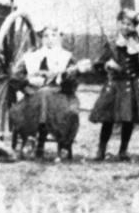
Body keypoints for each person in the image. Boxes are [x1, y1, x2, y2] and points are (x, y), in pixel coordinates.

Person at [9, 25, 88, 161]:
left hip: (60, 98)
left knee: (61, 106)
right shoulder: (31, 57)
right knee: (40, 96)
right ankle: (30, 139)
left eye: (53, 36)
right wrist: (29, 80)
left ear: (59, 38)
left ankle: (61, 143)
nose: (50, 39)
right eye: (46, 36)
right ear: (41, 38)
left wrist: (67, 77)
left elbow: (72, 85)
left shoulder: (67, 57)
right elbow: (15, 79)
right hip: (33, 98)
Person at [90, 9, 139, 161]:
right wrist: (107, 64)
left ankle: (123, 150)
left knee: (128, 119)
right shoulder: (111, 43)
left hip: (130, 86)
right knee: (108, 119)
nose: (125, 26)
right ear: (118, 23)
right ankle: (101, 150)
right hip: (114, 85)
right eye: (122, 23)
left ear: (134, 27)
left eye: (129, 24)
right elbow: (98, 64)